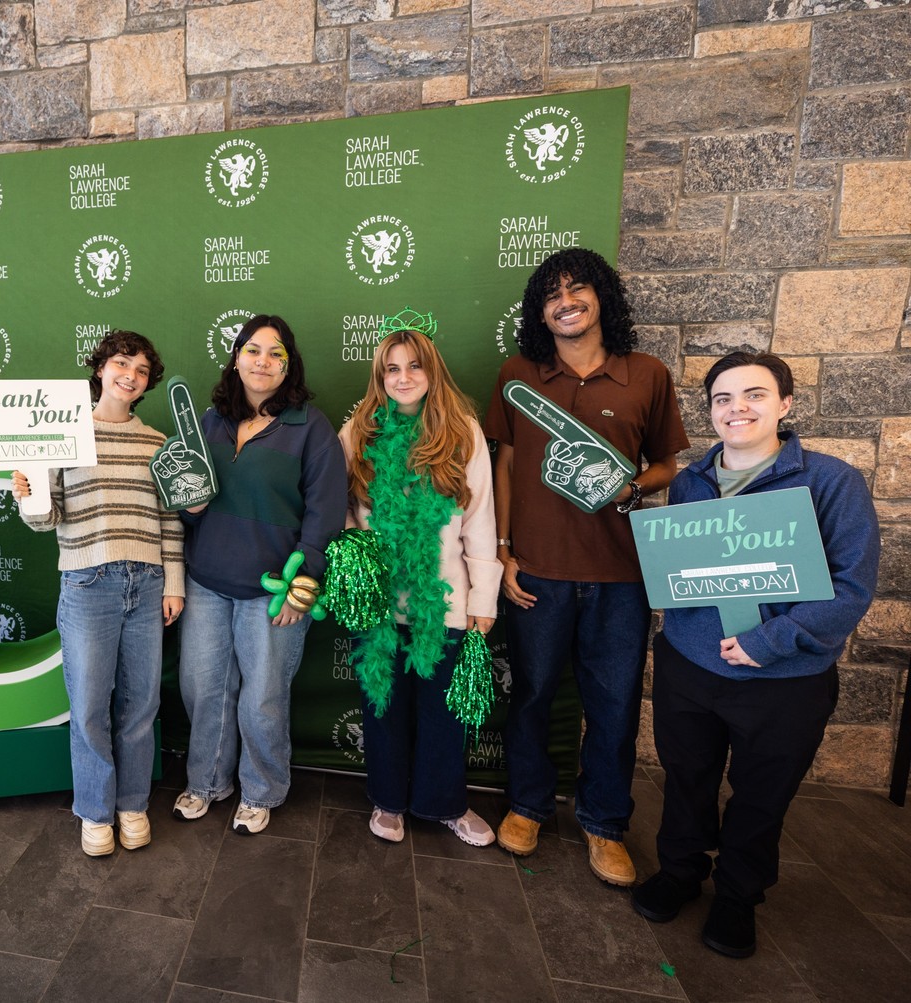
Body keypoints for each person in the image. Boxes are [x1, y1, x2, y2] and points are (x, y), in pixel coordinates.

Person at [632, 352, 879, 958]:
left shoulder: (831, 482)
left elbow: (852, 588)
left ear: (785, 405)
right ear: (711, 411)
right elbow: (686, 572)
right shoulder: (691, 482)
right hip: (690, 668)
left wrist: (766, 642)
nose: (737, 408)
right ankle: (681, 872)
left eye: (754, 395)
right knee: (686, 778)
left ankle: (739, 896)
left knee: (762, 793)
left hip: (785, 679)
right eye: (723, 398)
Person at [484, 248, 688, 886]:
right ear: (538, 312)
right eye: (552, 294)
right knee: (534, 698)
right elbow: (507, 466)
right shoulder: (519, 373)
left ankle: (603, 824)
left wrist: (626, 488)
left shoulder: (646, 374)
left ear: (602, 297)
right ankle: (527, 807)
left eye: (578, 289)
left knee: (615, 706)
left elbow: (666, 468)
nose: (566, 301)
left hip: (622, 576)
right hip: (538, 571)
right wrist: (504, 550)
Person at [11, 330, 185, 857]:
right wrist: (28, 492)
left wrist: (173, 582)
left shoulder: (157, 443)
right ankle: (93, 810)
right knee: (89, 706)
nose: (129, 375)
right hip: (88, 582)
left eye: (140, 369)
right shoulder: (61, 433)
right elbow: (47, 519)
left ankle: (132, 804)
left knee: (141, 704)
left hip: (148, 582)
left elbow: (170, 521)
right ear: (100, 367)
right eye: (120, 363)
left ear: (148, 382)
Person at [175, 314, 347, 835]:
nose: (263, 361)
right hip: (206, 580)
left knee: (264, 696)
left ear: (288, 365)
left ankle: (261, 790)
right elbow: (184, 500)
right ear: (236, 358)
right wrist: (191, 508)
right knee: (203, 688)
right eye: (253, 350)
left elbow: (326, 510)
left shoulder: (310, 426)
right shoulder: (208, 421)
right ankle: (205, 782)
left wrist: (303, 584)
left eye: (276, 354)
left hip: (273, 591)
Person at [339, 323, 501, 846]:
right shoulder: (356, 433)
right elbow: (340, 515)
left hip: (446, 600)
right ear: (379, 377)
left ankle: (445, 804)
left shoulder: (463, 431)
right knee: (382, 708)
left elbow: (480, 521)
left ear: (431, 371)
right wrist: (354, 577)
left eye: (414, 365)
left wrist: (484, 597)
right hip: (379, 603)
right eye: (392, 368)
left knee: (443, 713)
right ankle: (388, 801)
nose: (403, 376)